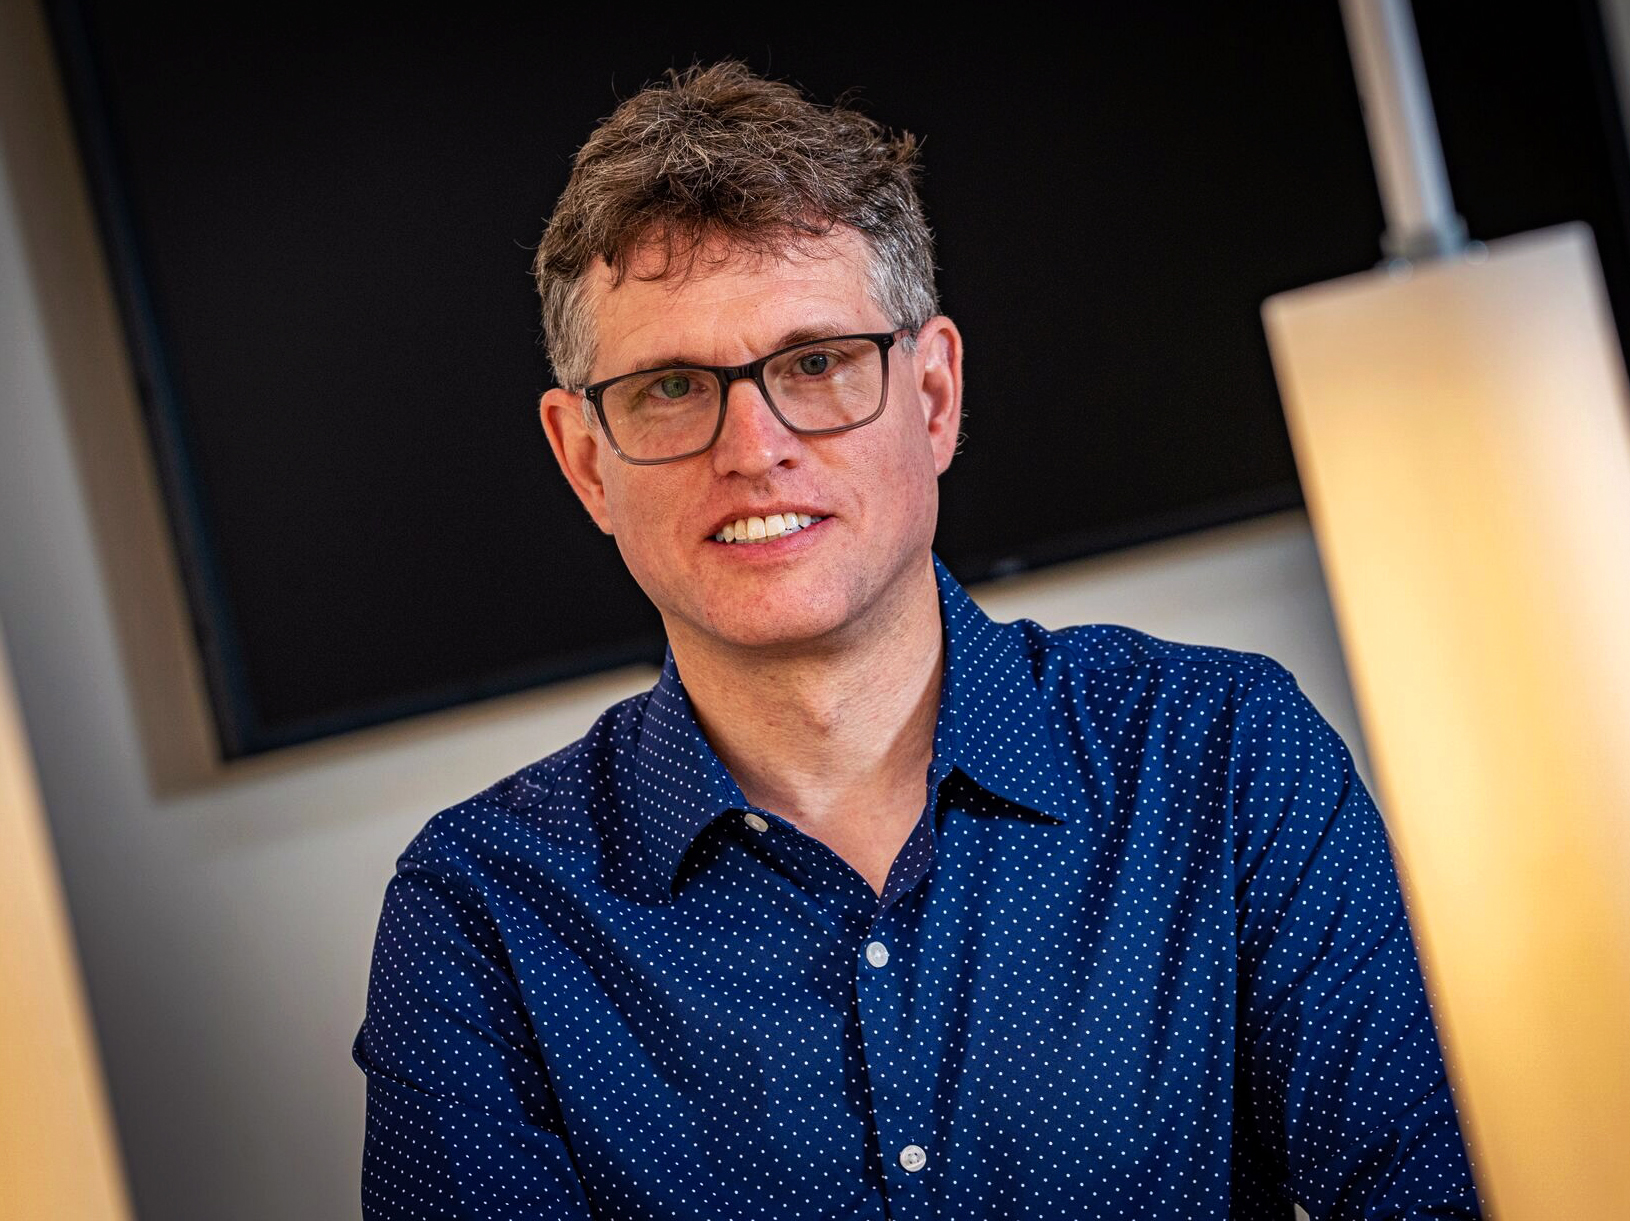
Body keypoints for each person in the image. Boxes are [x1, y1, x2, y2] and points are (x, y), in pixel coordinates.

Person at [353, 61, 1482, 1219]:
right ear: (585, 458)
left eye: (815, 364)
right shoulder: (482, 914)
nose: (754, 447)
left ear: (933, 395)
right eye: (673, 388)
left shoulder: (1224, 760)